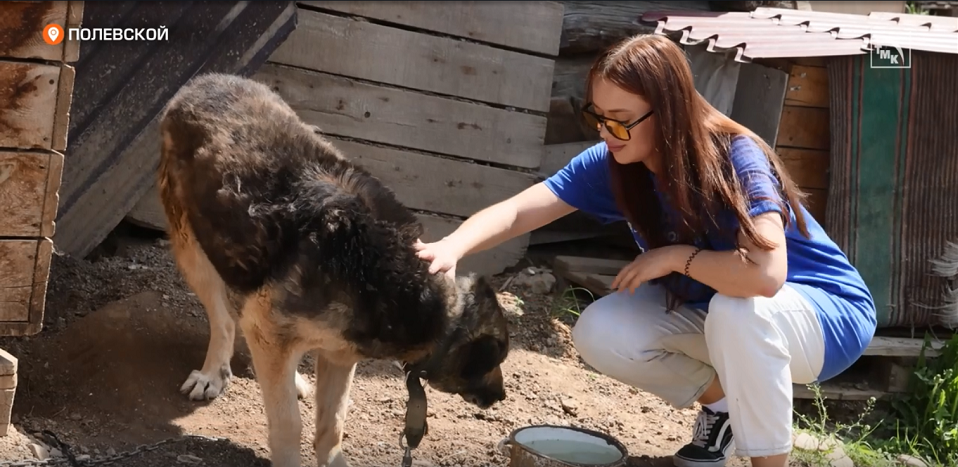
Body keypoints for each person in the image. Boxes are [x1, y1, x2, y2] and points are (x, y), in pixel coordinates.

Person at [414, 33, 877, 467]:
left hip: (821, 315)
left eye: (620, 119)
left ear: (668, 111)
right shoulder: (617, 161)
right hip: (723, 306)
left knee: (740, 313)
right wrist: (452, 247)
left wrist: (675, 258)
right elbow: (522, 211)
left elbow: (765, 276)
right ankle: (723, 406)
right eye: (596, 114)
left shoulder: (737, 156)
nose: (605, 130)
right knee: (602, 329)